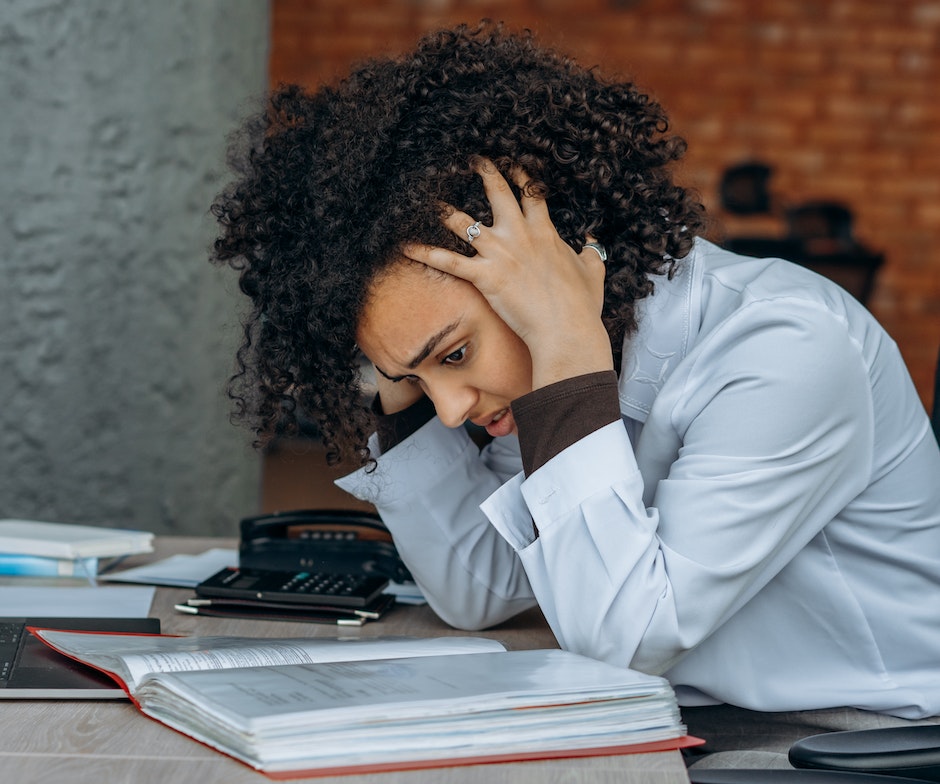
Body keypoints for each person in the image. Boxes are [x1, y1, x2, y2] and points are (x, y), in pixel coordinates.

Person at [210, 21, 940, 760]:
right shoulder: (553, 368)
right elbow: (480, 589)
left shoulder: (781, 345)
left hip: (848, 743)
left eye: (456, 354)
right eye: (421, 379)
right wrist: (395, 385)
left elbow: (625, 637)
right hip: (676, 722)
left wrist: (564, 346)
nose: (453, 406)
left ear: (548, 255)